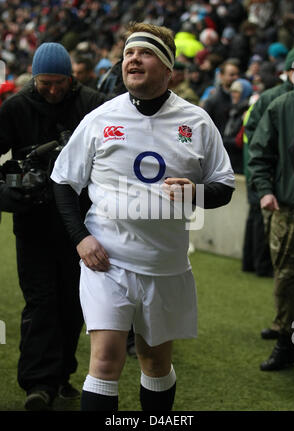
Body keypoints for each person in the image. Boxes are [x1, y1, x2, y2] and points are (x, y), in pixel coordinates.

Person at [51, 22, 235, 411]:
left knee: (155, 361)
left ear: (168, 68)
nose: (133, 59)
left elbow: (224, 186)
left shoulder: (197, 122)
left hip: (165, 264)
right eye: (129, 53)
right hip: (107, 261)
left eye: (146, 52)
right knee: (105, 360)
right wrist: (81, 237)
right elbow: (64, 181)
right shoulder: (101, 118)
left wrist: (195, 192)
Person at [0, 42, 105, 410]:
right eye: (45, 83)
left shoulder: (92, 103)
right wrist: (6, 193)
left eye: (60, 82)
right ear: (34, 77)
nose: (53, 90)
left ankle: (61, 374)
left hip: (81, 222)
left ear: (70, 77)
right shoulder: (15, 107)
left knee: (74, 303)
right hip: (33, 223)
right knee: (41, 301)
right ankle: (38, 383)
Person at [245, 45, 294, 340]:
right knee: (287, 273)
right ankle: (286, 336)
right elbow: (259, 149)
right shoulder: (277, 104)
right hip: (288, 204)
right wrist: (264, 189)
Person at [203, 59, 240, 136]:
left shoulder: (244, 97)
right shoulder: (212, 100)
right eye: (232, 75)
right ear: (221, 75)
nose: (236, 78)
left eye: (237, 74)